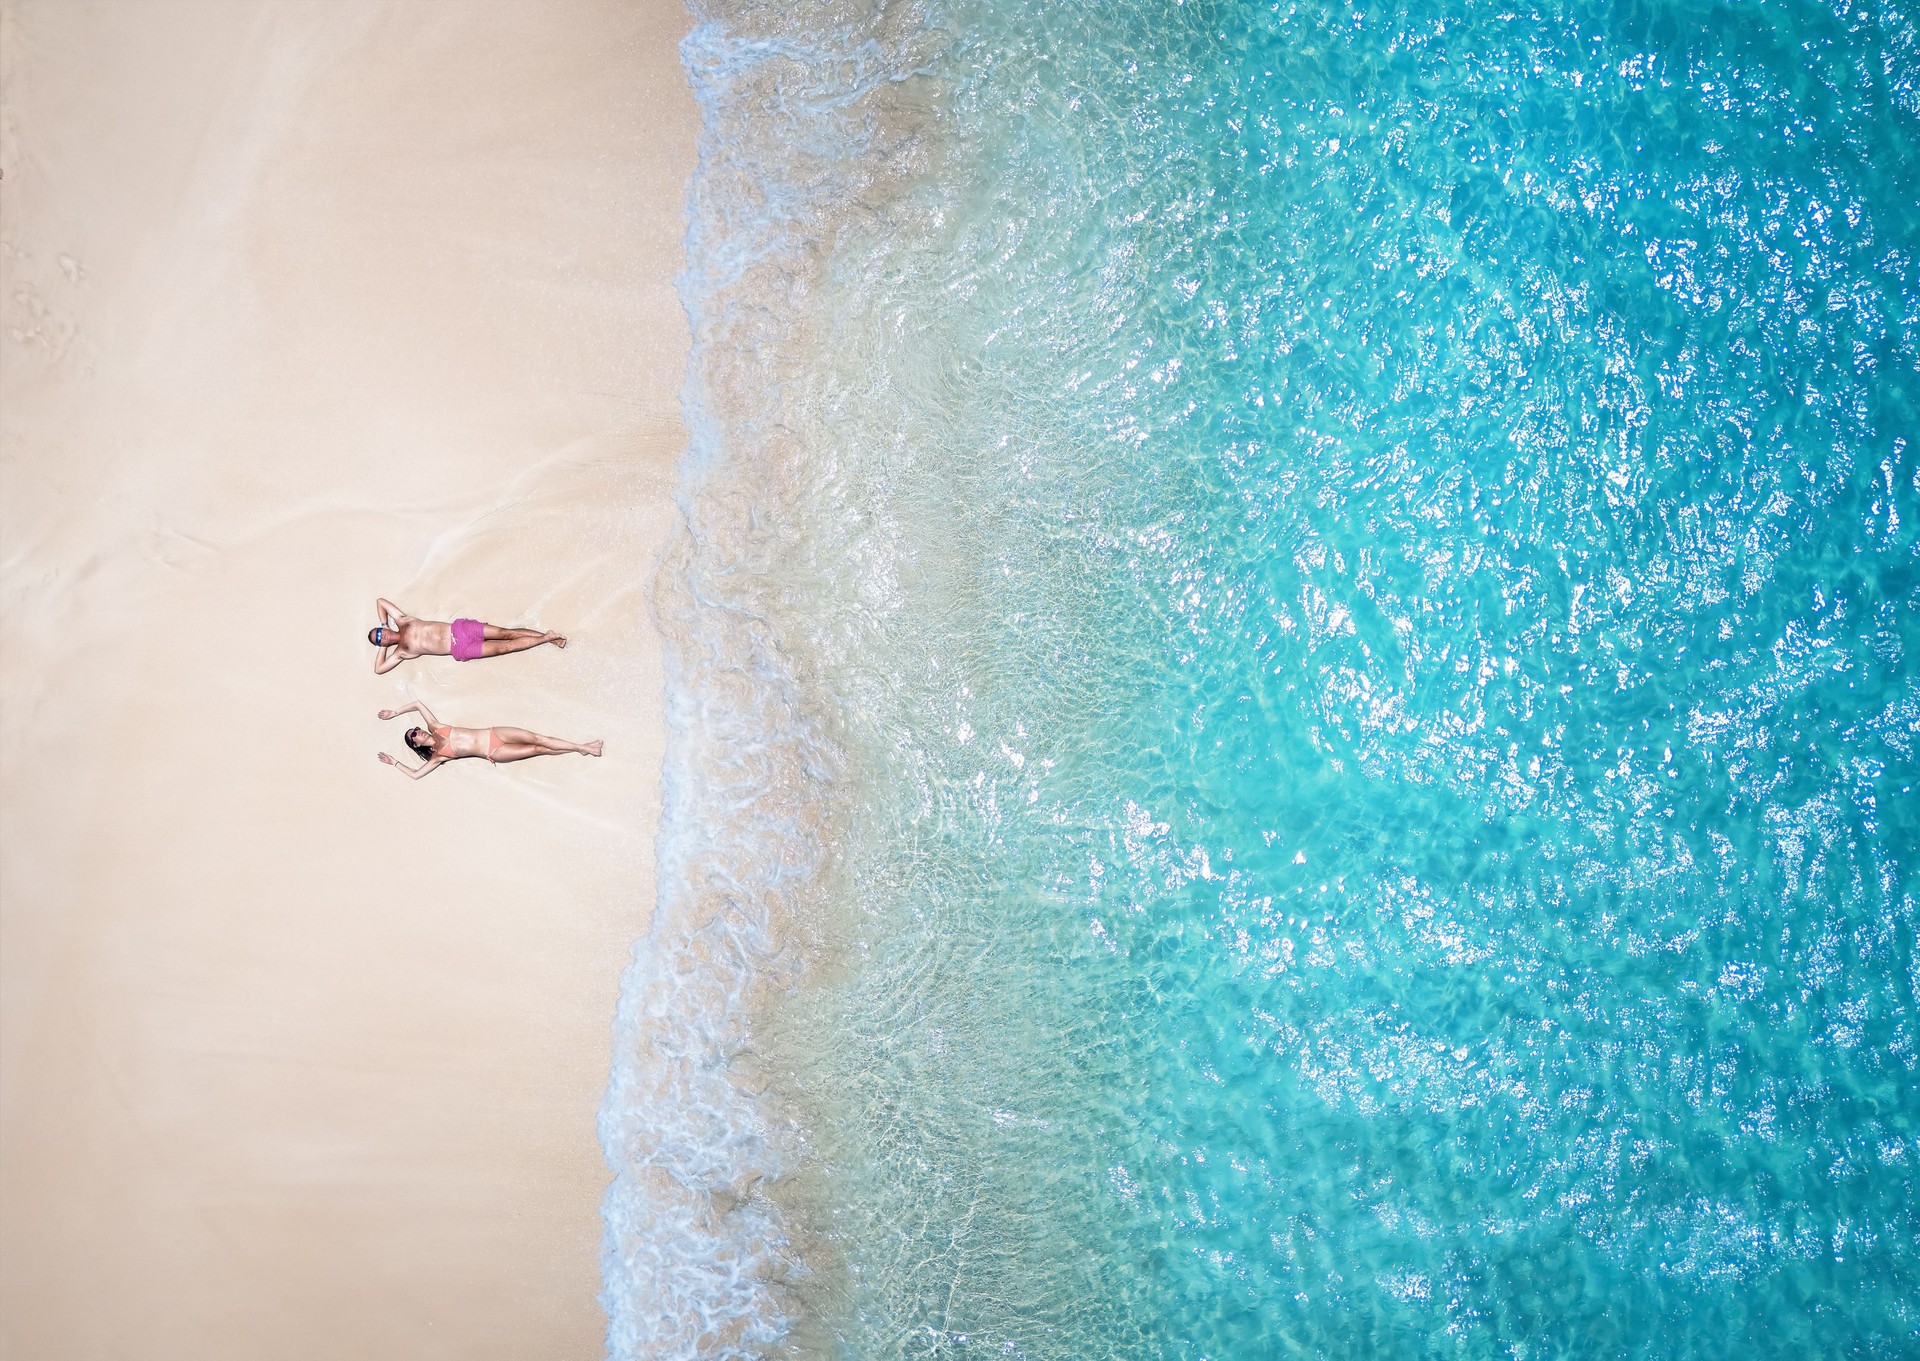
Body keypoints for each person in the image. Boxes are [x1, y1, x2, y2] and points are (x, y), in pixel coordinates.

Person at [377, 702, 601, 778]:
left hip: (494, 733)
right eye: (414, 735)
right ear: (415, 744)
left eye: (416, 728)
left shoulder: (435, 727)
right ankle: (580, 749)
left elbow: (416, 703)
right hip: (493, 752)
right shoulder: (437, 757)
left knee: (537, 737)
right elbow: (416, 775)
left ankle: (582, 747)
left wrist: (394, 713)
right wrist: (393, 762)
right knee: (537, 748)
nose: (418, 731)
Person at [369, 598, 566, 673]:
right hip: (460, 649)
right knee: (505, 647)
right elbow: (379, 669)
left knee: (506, 633)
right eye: (378, 639)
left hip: (459, 630)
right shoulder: (400, 652)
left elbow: (380, 602)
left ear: (383, 628)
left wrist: (384, 622)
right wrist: (382, 649)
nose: (382, 636)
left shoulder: (403, 621)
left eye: (379, 633)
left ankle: (549, 638)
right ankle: (546, 638)